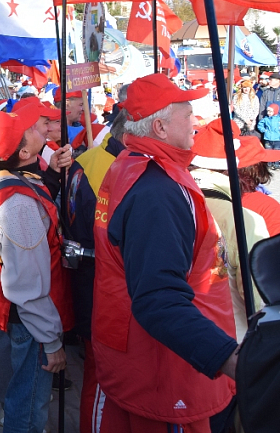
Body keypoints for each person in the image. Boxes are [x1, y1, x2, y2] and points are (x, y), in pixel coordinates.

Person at [91, 73, 237, 432]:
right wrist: (234, 360)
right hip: (168, 368)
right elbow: (158, 299)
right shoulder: (156, 190)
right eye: (187, 113)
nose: (196, 121)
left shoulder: (135, 165)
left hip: (156, 359)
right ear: (159, 126)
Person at [0, 102, 73, 433]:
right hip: (31, 320)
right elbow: (28, 285)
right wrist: (51, 341)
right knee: (28, 403)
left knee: (22, 393)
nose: (37, 128)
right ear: (24, 151)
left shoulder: (9, 184)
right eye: (28, 129)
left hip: (21, 314)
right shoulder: (17, 206)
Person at [62, 110, 127, 432]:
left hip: (89, 276)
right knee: (102, 377)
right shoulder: (109, 167)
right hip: (100, 282)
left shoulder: (88, 159)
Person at [189, 120, 270, 342]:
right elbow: (256, 297)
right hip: (229, 341)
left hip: (178, 334)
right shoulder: (246, 220)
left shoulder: (167, 201)